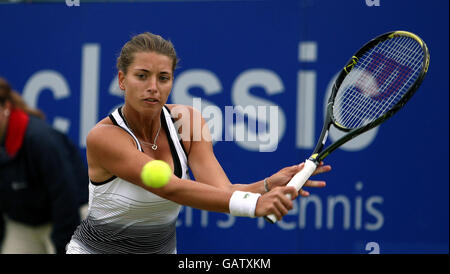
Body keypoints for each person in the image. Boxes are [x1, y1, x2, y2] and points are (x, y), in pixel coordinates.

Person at [66, 32, 331, 254]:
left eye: (163, 78)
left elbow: (222, 190)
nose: (153, 87)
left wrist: (265, 186)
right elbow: (171, 188)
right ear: (122, 80)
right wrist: (253, 205)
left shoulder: (188, 122)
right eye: (142, 76)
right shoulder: (103, 137)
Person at [0, 77, 89, 254]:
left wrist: (63, 245)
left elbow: (66, 197)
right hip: (23, 225)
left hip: (69, 219)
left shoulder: (41, 140)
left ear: (6, 108)